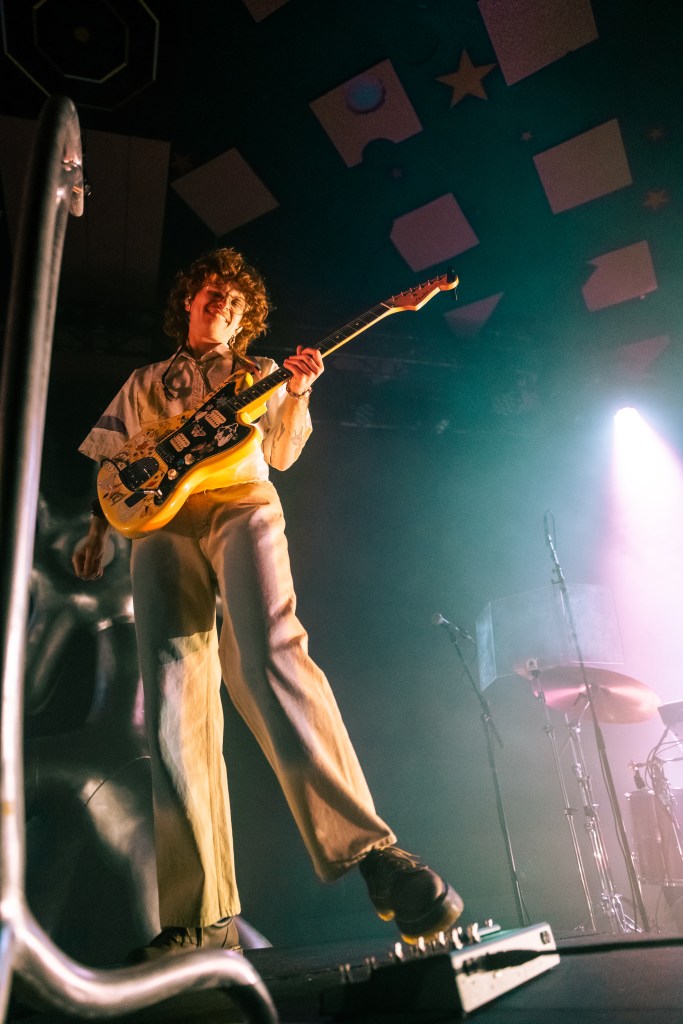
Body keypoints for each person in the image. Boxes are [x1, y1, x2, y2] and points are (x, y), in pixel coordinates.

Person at [72, 246, 463, 961]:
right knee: (172, 705)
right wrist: (99, 531)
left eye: (235, 300)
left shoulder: (259, 373)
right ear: (188, 302)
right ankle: (199, 917)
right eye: (211, 292)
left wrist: (300, 391)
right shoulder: (144, 382)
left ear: (243, 319)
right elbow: (112, 459)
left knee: (269, 654)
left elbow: (281, 454)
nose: (221, 302)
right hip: (158, 526)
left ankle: (373, 853)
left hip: (241, 501)